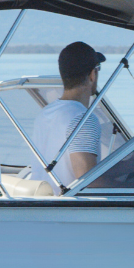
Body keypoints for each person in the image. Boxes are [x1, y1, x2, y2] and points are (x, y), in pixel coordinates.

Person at [29, 41, 106, 194]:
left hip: (43, 204)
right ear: (92, 74)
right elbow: (88, 180)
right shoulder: (82, 119)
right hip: (68, 211)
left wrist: (127, 165)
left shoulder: (45, 113)